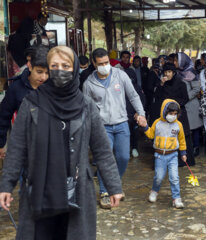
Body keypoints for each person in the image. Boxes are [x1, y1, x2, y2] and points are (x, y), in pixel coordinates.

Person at [0, 46, 123, 239]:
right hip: (39, 190)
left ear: (74, 69)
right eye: (54, 66)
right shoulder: (32, 103)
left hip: (77, 191)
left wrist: (114, 187)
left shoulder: (86, 105)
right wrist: (6, 185)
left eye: (66, 66)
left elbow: (102, 149)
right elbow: (17, 147)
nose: (60, 71)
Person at [83, 48, 146, 209]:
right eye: (101, 63)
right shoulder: (89, 84)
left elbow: (133, 95)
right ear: (94, 63)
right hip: (102, 126)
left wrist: (141, 113)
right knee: (105, 160)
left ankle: (114, 185)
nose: (105, 66)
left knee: (124, 157)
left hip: (122, 123)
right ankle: (105, 192)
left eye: (107, 62)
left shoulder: (120, 75)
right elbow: (86, 109)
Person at [0, 46, 49, 160]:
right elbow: (3, 117)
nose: (43, 77)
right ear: (30, 66)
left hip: (51, 145)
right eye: (39, 72)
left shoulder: (54, 86)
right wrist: (1, 143)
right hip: (25, 146)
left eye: (47, 73)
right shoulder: (16, 88)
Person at [144, 99, 187, 209]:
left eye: (175, 114)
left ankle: (176, 198)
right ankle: (154, 191)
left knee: (174, 177)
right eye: (170, 113)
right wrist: (144, 126)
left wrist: (183, 152)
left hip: (173, 155)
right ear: (164, 111)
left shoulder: (178, 125)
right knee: (158, 177)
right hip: (159, 156)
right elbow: (150, 134)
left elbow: (182, 140)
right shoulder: (157, 123)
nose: (172, 116)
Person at [150, 63, 195, 166]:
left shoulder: (181, 84)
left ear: (173, 73)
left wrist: (175, 105)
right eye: (165, 72)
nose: (167, 74)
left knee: (181, 135)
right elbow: (157, 97)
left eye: (169, 72)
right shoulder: (162, 84)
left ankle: (183, 160)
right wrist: (161, 85)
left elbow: (185, 98)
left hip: (179, 114)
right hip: (166, 116)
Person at [174, 53, 202, 158]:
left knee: (194, 128)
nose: (175, 63)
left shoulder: (190, 73)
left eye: (176, 61)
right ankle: (185, 149)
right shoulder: (178, 73)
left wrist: (185, 97)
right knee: (184, 128)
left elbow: (196, 89)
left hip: (191, 105)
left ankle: (195, 147)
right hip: (182, 105)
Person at [124, 68, 146, 158]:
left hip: (134, 115)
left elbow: (142, 100)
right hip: (123, 114)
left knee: (134, 133)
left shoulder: (137, 87)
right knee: (124, 133)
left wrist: (138, 112)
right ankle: (125, 150)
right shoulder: (120, 87)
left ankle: (134, 148)